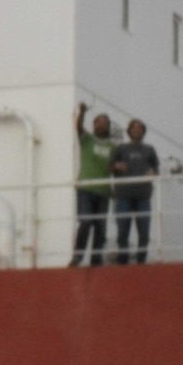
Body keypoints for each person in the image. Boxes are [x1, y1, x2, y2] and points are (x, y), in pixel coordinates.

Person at [70, 102, 114, 267]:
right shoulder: (87, 140)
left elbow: (114, 169)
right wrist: (81, 111)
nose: (101, 125)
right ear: (94, 125)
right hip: (86, 189)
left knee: (100, 227)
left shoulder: (113, 147)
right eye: (98, 122)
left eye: (104, 123)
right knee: (86, 221)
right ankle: (77, 257)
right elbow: (78, 126)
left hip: (103, 192)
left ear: (108, 127)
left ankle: (96, 258)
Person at [111, 119, 159, 265]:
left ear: (143, 131)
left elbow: (156, 168)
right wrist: (116, 167)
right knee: (122, 231)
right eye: (134, 128)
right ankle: (123, 260)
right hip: (123, 195)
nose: (137, 130)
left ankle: (141, 260)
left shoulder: (149, 150)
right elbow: (111, 167)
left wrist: (153, 172)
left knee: (144, 232)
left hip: (143, 195)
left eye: (140, 128)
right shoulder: (121, 148)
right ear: (129, 130)